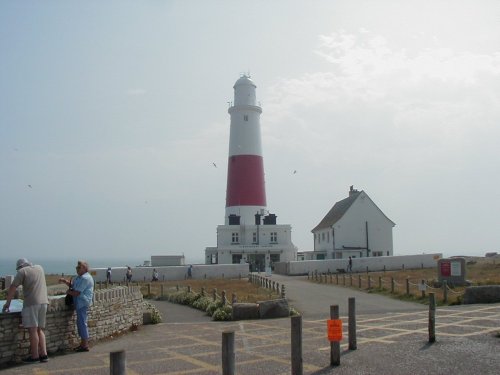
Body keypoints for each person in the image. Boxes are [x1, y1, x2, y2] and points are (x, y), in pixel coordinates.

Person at [2, 258, 49, 363]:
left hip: (31, 304)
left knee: (33, 330)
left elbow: (13, 287)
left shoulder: (22, 271)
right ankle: (44, 355)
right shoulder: (39, 267)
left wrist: (7, 303)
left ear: (19, 267)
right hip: (44, 303)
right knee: (39, 330)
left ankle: (35, 356)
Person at [59, 260, 94, 352]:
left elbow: (77, 292)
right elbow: (74, 285)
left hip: (82, 303)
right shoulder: (80, 277)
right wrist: (65, 281)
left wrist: (68, 292)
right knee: (80, 323)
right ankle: (83, 344)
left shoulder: (85, 278)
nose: (77, 269)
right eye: (76, 267)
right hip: (79, 303)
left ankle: (85, 345)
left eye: (79, 267)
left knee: (82, 323)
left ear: (85, 269)